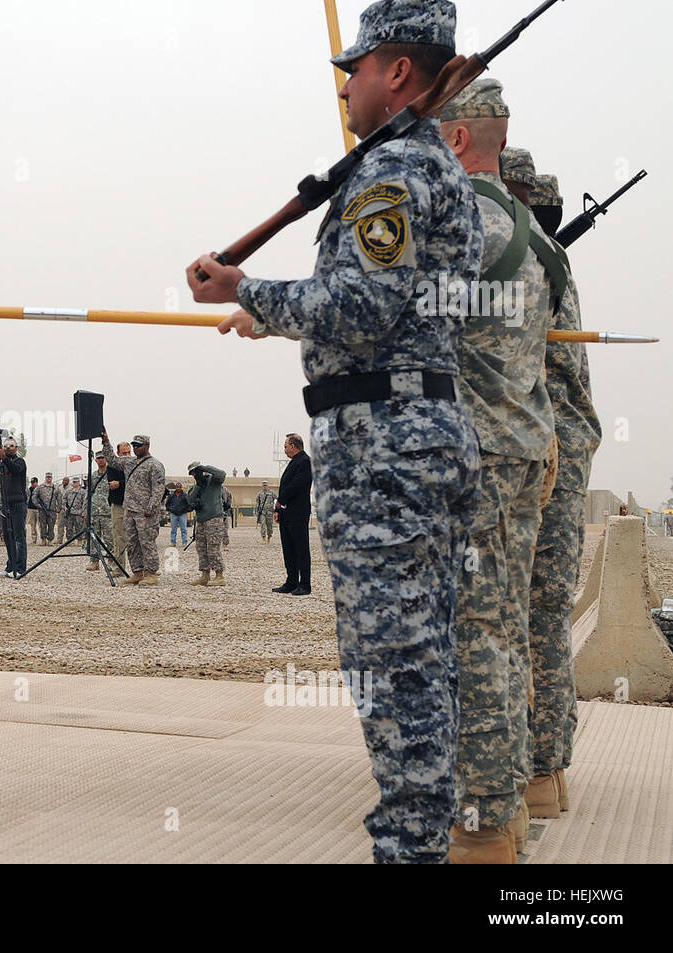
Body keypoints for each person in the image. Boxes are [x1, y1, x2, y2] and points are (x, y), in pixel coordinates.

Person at [190, 0, 481, 862]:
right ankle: (424, 835)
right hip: (420, 430)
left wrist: (246, 291)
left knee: (393, 663)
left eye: (355, 68)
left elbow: (359, 306)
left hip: (384, 444)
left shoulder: (392, 174)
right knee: (425, 656)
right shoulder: (426, 168)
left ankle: (411, 846)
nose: (346, 84)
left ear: (397, 71)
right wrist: (271, 310)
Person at [440, 80, 557, 863]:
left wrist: (259, 303)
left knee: (473, 638)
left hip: (477, 457)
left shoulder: (456, 225)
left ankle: (483, 829)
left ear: (453, 142)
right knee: (507, 629)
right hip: (524, 450)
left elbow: (375, 308)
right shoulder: (532, 235)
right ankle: (515, 798)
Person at [513, 161, 602, 827]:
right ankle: (546, 772)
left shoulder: (526, 268)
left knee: (505, 618)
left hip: (534, 460)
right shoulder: (557, 267)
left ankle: (517, 775)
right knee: (545, 619)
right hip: (565, 460)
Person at [100, 431, 165, 585]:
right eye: (134, 445)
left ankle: (151, 573)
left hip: (145, 512)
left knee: (147, 542)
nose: (136, 448)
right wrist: (106, 441)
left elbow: (158, 489)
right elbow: (112, 460)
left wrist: (151, 507)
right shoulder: (130, 462)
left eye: (138, 445)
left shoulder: (155, 465)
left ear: (147, 446)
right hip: (129, 510)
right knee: (132, 542)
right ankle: (137, 572)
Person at [270, 436, 313, 595]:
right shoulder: (293, 462)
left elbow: (297, 485)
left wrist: (280, 500)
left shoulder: (305, 462)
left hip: (298, 512)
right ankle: (291, 581)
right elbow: (285, 487)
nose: (285, 449)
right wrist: (278, 510)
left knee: (301, 549)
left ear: (294, 446)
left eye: (286, 446)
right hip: (287, 513)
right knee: (288, 548)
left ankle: (305, 584)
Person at [187, 461, 228, 586]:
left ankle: (219, 575)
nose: (195, 475)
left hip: (214, 519)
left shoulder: (214, 481)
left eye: (196, 472)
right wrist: (198, 485)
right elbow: (189, 499)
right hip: (201, 520)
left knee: (213, 548)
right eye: (193, 473)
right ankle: (205, 575)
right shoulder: (196, 486)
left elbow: (222, 474)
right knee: (201, 548)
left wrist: (205, 468)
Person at [0, 436, 28, 578]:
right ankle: (11, 566)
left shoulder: (20, 461)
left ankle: (20, 568)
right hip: (5, 503)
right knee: (8, 536)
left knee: (19, 537)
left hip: (18, 503)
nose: (8, 447)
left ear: (17, 448)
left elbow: (15, 470)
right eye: (6, 445)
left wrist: (3, 458)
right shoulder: (2, 463)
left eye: (11, 445)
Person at [86, 451, 114, 570]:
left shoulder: (111, 474)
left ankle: (111, 560)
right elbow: (89, 493)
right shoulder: (93, 476)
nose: (101, 460)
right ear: (96, 460)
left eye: (103, 457)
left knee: (109, 538)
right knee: (94, 538)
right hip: (95, 511)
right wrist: (86, 510)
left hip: (107, 511)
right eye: (99, 458)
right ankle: (94, 561)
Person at [106, 449, 127, 566]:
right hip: (118, 504)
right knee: (118, 536)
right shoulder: (113, 467)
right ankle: (119, 566)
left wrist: (121, 483)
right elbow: (113, 484)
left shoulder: (137, 465)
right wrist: (122, 483)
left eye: (128, 452)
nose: (127, 455)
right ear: (118, 454)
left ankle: (144, 569)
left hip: (135, 505)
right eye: (124, 453)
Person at [34, 472, 59, 542]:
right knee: (42, 525)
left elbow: (59, 498)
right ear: (45, 478)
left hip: (52, 510)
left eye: (50, 477)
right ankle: (43, 540)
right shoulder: (40, 487)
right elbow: (34, 496)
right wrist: (37, 504)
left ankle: (50, 540)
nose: (49, 478)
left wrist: (58, 508)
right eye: (47, 477)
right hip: (42, 510)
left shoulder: (56, 487)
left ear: (52, 478)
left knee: (51, 525)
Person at [166, 482, 191, 546]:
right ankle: (173, 542)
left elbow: (188, 504)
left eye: (179, 487)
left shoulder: (185, 495)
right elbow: (167, 504)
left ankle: (184, 542)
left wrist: (186, 510)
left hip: (182, 514)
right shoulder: (171, 496)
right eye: (177, 487)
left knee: (184, 529)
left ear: (181, 487)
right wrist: (170, 509)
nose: (178, 488)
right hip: (173, 514)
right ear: (175, 487)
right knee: (173, 529)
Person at [26, 476, 40, 542]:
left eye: (34, 482)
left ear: (37, 482)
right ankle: (34, 538)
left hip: (38, 509)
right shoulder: (29, 489)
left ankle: (42, 538)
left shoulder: (39, 489)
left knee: (40, 524)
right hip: (31, 508)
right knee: (32, 524)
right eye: (32, 482)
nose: (32, 484)